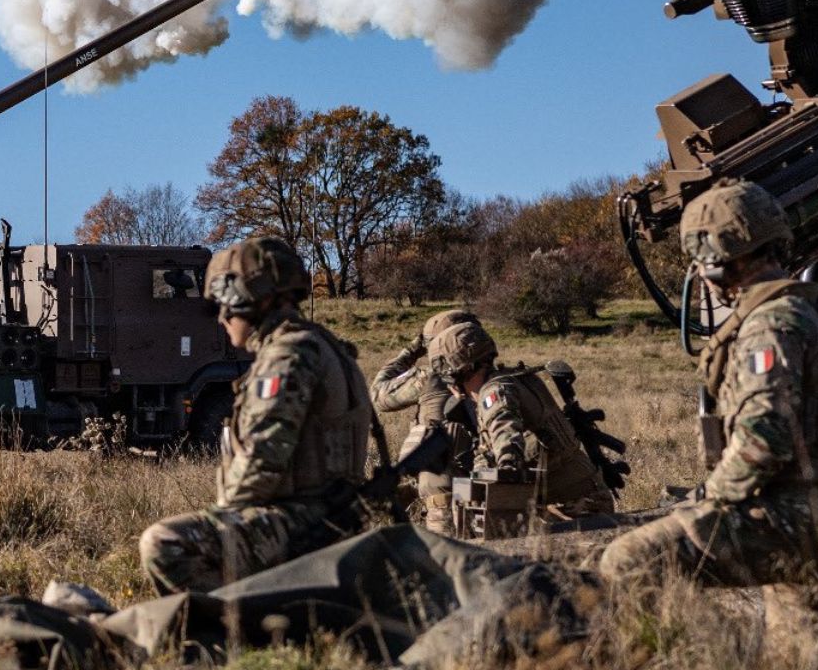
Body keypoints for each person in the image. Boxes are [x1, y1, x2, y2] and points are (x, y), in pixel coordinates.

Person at [600, 181, 818, 634]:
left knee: (627, 560)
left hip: (789, 521)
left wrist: (701, 503)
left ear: (717, 259)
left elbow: (765, 440)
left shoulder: (771, 322)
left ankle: (716, 662)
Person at [138, 237, 371, 593]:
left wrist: (224, 519)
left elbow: (261, 460)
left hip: (305, 524)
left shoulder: (287, 356)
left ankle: (223, 633)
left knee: (164, 542)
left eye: (225, 304)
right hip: (332, 516)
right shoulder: (325, 346)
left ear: (253, 299)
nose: (221, 317)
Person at [429, 320, 615, 521]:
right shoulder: (515, 378)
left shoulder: (493, 393)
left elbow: (505, 432)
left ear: (456, 374)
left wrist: (505, 469)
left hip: (575, 507)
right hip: (578, 497)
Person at [371, 308, 478, 532]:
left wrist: (411, 351)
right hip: (484, 487)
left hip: (443, 493)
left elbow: (378, 395)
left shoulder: (427, 378)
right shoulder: (491, 376)